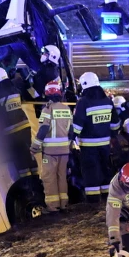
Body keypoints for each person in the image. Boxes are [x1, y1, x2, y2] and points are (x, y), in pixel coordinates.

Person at [70, 71, 116, 204]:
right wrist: (112, 135)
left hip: (88, 146)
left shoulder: (83, 102)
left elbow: (77, 126)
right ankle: (107, 196)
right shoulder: (107, 100)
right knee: (105, 168)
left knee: (91, 171)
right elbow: (115, 123)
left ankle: (93, 200)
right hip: (105, 144)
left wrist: (71, 137)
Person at [33, 78, 74, 211]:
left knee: (49, 177)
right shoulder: (67, 108)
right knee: (62, 177)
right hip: (65, 150)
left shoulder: (47, 110)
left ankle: (53, 206)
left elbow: (43, 129)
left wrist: (35, 146)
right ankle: (64, 203)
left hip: (50, 152)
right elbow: (72, 130)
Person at [0, 66, 37, 170]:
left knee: (20, 159)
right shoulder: (15, 87)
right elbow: (31, 96)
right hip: (25, 126)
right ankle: (37, 179)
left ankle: (26, 183)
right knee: (30, 155)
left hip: (11, 131)